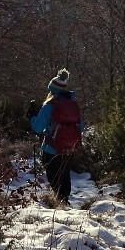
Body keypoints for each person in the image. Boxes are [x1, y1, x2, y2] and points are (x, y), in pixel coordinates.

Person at [30, 68, 82, 204]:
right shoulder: (73, 105)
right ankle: (64, 201)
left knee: (54, 177)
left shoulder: (49, 106)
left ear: (52, 90)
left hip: (51, 148)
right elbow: (80, 127)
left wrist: (32, 116)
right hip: (69, 147)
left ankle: (59, 203)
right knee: (65, 175)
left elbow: (37, 127)